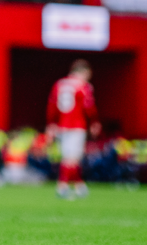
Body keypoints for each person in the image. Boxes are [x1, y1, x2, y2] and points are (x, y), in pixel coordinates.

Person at [46, 59, 100, 200]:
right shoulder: (83, 86)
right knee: (73, 158)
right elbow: (89, 107)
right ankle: (62, 186)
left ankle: (79, 186)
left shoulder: (59, 84)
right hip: (76, 125)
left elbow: (52, 106)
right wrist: (94, 122)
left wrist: (51, 123)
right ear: (83, 72)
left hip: (62, 125)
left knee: (68, 157)